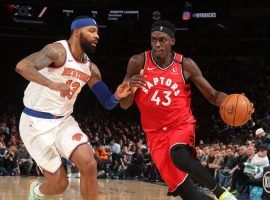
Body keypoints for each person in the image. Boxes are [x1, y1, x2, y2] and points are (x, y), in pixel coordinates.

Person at [15, 16, 130, 200]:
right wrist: (51, 84)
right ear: (77, 32)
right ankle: (36, 191)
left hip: (64, 121)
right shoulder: (57, 51)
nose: (97, 36)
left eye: (98, 32)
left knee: (89, 163)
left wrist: (117, 96)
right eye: (91, 31)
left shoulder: (91, 69)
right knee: (60, 185)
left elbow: (107, 102)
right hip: (34, 122)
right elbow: (23, 66)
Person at [120, 20, 238, 199]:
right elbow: (124, 104)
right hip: (154, 134)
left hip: (180, 125)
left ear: (172, 41)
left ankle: (221, 193)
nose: (157, 44)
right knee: (190, 195)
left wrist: (233, 101)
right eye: (153, 40)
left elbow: (213, 96)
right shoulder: (138, 62)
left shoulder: (185, 64)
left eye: (162, 40)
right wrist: (130, 89)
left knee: (180, 158)